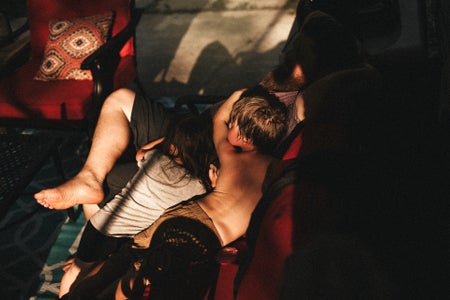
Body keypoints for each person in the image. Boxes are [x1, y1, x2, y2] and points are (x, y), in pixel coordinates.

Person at [34, 10, 364, 216]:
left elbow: (349, 78)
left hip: (196, 157)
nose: (287, 50)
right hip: (189, 128)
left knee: (103, 193)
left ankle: (94, 253)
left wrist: (365, 67)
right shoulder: (278, 77)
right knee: (119, 99)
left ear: (319, 68)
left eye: (298, 51)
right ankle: (89, 179)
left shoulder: (296, 105)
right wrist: (167, 136)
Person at [63, 91, 288, 299]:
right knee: (136, 278)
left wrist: (238, 94)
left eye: (232, 125)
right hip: (201, 234)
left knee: (127, 257)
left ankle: (77, 294)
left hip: (183, 216)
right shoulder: (278, 169)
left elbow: (218, 118)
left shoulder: (230, 155)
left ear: (242, 136)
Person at [57, 113, 217, 297]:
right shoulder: (198, 187)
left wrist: (164, 141)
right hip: (133, 239)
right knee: (103, 276)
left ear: (172, 147)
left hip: (103, 227)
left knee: (78, 270)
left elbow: (140, 153)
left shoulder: (155, 160)